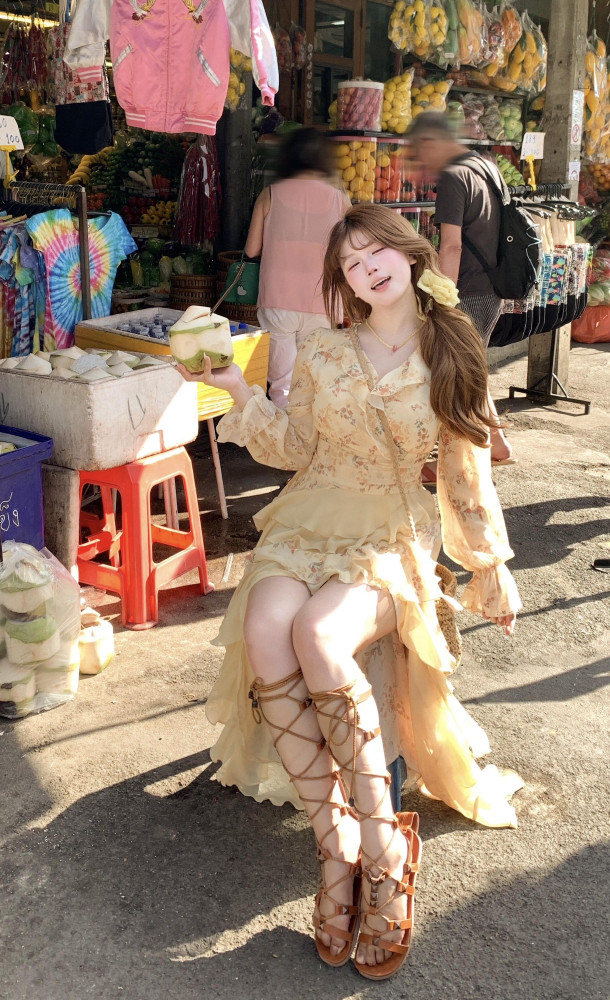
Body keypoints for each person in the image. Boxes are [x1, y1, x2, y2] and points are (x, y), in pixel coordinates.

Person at [177, 204, 522, 980]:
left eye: (376, 252)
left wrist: (488, 562)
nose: (367, 267)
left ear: (409, 254)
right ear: (343, 283)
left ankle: (382, 847)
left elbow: (466, 466)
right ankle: (336, 845)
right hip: (309, 514)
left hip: (392, 524)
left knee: (320, 635)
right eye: (351, 262)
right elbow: (295, 447)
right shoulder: (324, 348)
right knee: (267, 626)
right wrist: (234, 386)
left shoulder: (452, 345)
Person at [407, 112, 514, 464]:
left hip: (466, 290)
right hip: (491, 288)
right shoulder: (485, 167)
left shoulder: (453, 177)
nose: (422, 163)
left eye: (421, 151)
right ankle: (496, 443)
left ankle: (457, 461)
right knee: (471, 368)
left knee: (454, 376)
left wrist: (443, 300)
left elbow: (451, 246)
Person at [244, 127, 348, 408]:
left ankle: (284, 430)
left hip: (278, 300)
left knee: (282, 385)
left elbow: (251, 250)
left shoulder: (270, 194)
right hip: (324, 300)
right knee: (315, 379)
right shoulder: (340, 199)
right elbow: (349, 251)